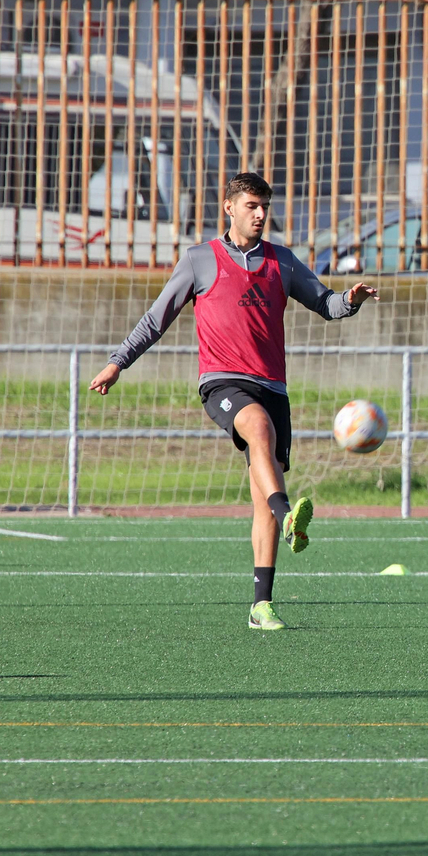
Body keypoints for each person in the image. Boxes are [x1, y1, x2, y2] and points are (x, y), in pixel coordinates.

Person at [89, 172, 378, 630]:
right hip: (223, 382)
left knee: (262, 493)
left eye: (264, 207)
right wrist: (117, 362)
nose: (260, 215)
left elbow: (326, 304)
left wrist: (351, 298)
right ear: (229, 207)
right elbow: (156, 319)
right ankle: (288, 515)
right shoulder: (199, 260)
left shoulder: (282, 261)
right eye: (251, 206)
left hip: (273, 387)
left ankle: (261, 605)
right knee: (258, 429)